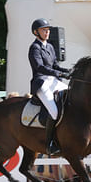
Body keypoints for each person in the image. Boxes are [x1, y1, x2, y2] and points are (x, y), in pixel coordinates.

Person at [28, 18, 71, 155]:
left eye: (48, 30)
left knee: (70, 98)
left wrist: (67, 71)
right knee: (54, 111)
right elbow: (39, 67)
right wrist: (58, 73)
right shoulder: (34, 48)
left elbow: (55, 65)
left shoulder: (50, 46)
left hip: (53, 80)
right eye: (43, 30)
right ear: (36, 32)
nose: (47, 32)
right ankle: (50, 142)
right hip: (41, 82)